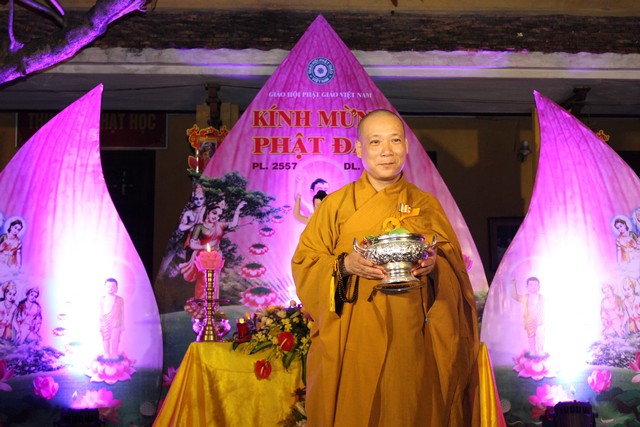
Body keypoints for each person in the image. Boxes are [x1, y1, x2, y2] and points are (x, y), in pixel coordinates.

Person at [292, 109, 480, 426]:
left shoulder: (426, 205)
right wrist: (345, 264)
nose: (386, 151)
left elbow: (453, 271)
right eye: (375, 142)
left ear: (406, 146)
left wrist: (435, 265)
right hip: (353, 335)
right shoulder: (335, 206)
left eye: (395, 140)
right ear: (359, 149)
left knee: (407, 409)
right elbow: (305, 264)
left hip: (410, 335)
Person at [179, 199, 246, 299]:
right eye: (214, 213)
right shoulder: (200, 227)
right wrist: (204, 246)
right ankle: (201, 305)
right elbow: (192, 244)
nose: (216, 217)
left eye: (219, 215)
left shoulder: (220, 225)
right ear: (208, 212)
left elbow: (233, 224)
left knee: (214, 281)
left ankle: (213, 306)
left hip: (216, 257)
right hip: (203, 257)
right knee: (204, 281)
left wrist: (237, 210)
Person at [512, 277, 545, 356]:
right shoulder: (526, 297)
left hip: (540, 320)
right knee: (531, 336)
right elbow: (515, 297)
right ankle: (532, 350)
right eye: (531, 285)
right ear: (527, 287)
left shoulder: (541, 297)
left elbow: (543, 308)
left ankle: (540, 350)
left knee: (540, 335)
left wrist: (542, 318)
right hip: (529, 320)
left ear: (539, 286)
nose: (533, 287)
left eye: (535, 285)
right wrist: (514, 285)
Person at [99, 278, 125, 359]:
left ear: (117, 288)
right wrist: (99, 323)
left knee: (115, 338)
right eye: (108, 286)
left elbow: (122, 312)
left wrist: (123, 325)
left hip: (116, 321)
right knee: (105, 338)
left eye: (113, 286)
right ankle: (106, 353)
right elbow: (100, 311)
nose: (110, 288)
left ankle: (114, 353)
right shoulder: (102, 299)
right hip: (104, 321)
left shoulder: (120, 299)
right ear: (105, 288)